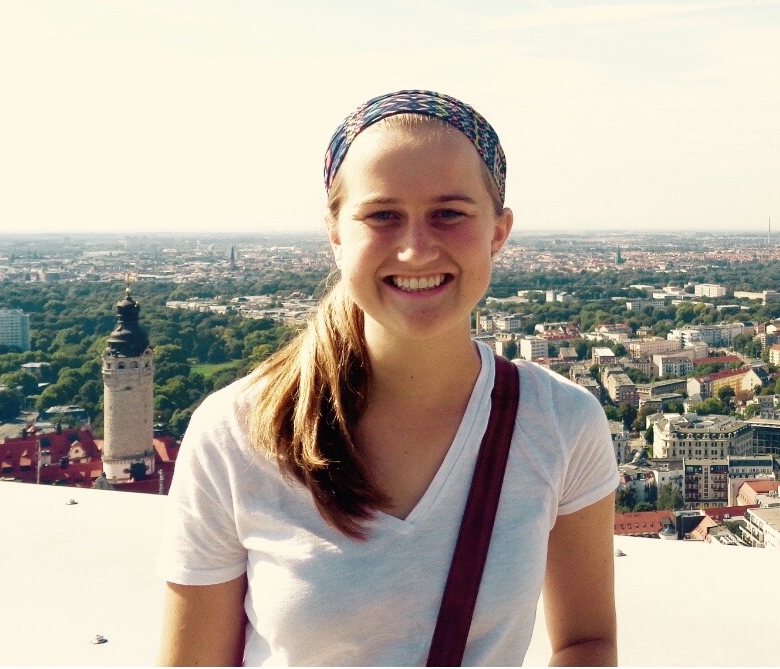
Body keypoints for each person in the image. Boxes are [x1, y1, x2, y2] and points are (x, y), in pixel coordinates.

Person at [157, 90, 620, 667]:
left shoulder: (561, 423)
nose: (415, 248)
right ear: (336, 233)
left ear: (498, 232)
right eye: (382, 215)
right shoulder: (237, 432)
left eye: (449, 213)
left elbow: (585, 643)